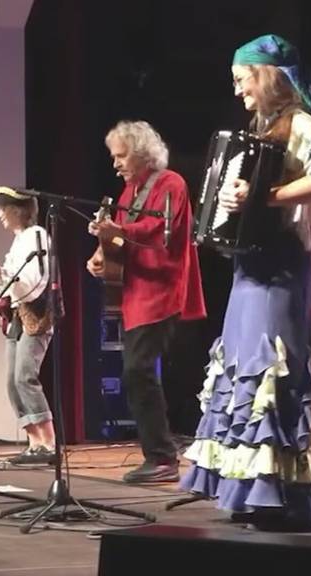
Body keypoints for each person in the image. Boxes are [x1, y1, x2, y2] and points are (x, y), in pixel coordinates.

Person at [178, 34, 311, 531]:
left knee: (275, 369)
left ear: (264, 76)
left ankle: (289, 495)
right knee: (246, 366)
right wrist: (234, 202)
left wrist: (263, 196)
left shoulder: (300, 122)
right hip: (252, 266)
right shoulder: (263, 128)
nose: (236, 91)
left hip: (283, 266)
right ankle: (252, 491)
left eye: (241, 79)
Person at [87, 120, 207, 483]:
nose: (116, 164)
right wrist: (100, 254)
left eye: (121, 156)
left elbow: (161, 233)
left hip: (161, 291)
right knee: (136, 372)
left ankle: (163, 457)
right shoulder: (128, 193)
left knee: (137, 370)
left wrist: (117, 232)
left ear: (141, 153)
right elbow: (121, 239)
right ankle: (158, 455)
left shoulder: (170, 183)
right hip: (136, 294)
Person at [0, 186, 58, 465]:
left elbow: (35, 281)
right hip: (17, 314)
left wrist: (7, 277)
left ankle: (49, 443)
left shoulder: (36, 236)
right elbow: (7, 283)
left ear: (16, 209)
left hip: (35, 313)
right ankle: (34, 442)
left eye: (1, 209)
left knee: (25, 376)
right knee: (12, 381)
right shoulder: (19, 240)